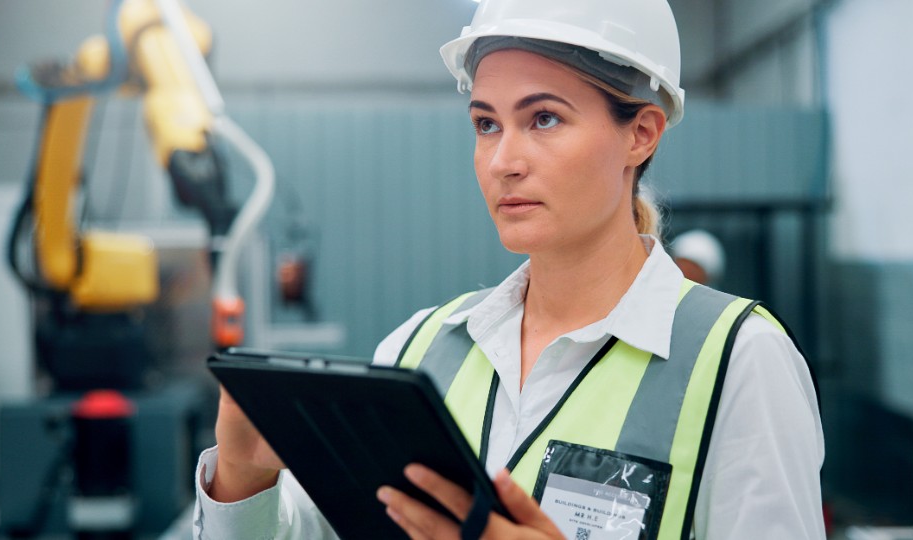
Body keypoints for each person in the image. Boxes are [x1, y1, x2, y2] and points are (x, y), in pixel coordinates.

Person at [193, 0, 825, 538]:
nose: (503, 161)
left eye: (543, 118)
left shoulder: (740, 363)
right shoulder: (417, 353)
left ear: (641, 134)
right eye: (486, 124)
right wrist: (243, 483)